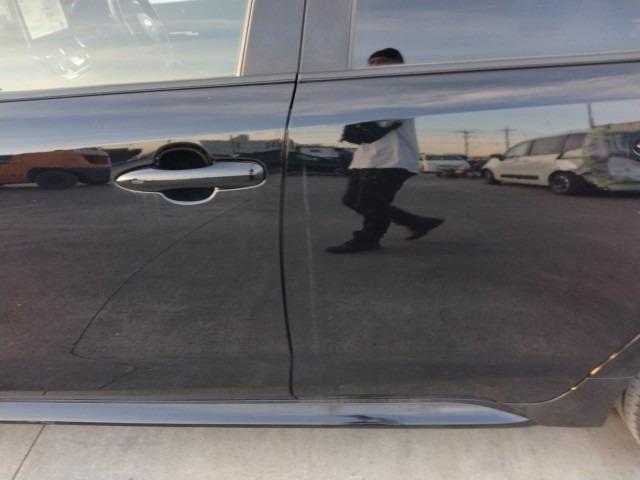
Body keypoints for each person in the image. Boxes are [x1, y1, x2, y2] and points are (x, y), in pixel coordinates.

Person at [327, 48, 444, 254]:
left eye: (380, 61)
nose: (373, 66)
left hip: (392, 159)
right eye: (371, 62)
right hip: (365, 159)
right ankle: (417, 222)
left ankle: (368, 239)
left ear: (397, 65)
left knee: (369, 202)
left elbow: (384, 122)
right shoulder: (371, 94)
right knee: (352, 201)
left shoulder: (401, 91)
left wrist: (356, 126)